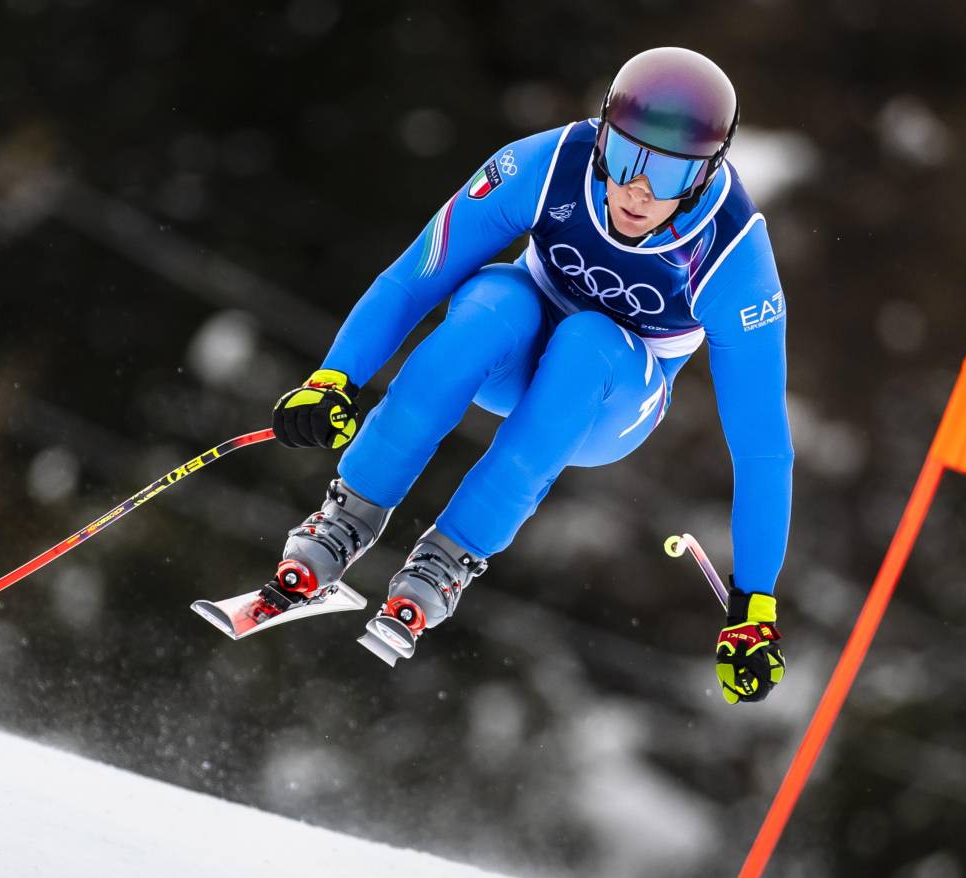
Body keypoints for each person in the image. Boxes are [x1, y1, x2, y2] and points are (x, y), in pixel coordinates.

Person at [269, 47, 791, 701]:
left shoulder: (734, 253)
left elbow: (763, 445)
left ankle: (449, 559)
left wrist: (755, 606)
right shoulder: (546, 166)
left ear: (707, 171)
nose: (638, 191)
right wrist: (333, 378)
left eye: (668, 175)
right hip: (511, 355)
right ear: (601, 136)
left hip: (610, 402)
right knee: (493, 298)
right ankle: (347, 516)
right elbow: (415, 276)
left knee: (589, 338)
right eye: (627, 159)